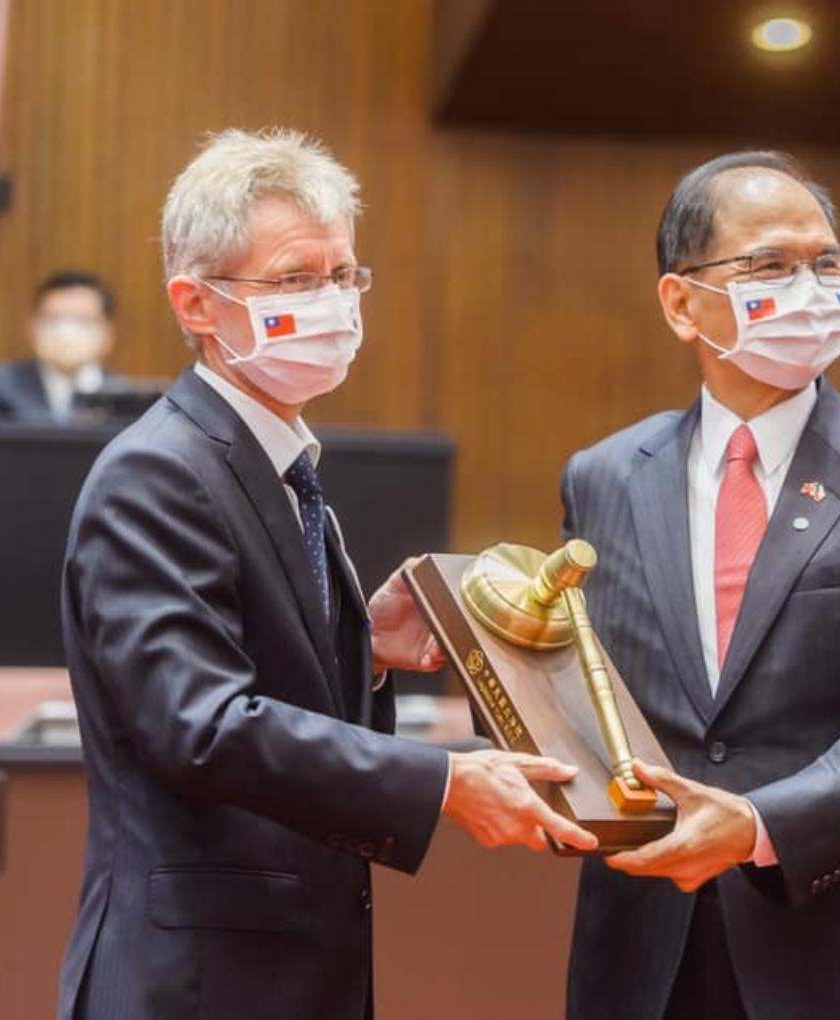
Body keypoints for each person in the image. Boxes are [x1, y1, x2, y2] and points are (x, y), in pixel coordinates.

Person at [57, 128, 595, 1020]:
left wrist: (363, 653)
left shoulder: (282, 468)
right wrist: (442, 781)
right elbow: (199, 726)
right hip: (196, 978)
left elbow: (277, 690)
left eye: (343, 275)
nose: (333, 303)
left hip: (286, 964)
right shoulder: (157, 472)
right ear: (197, 303)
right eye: (294, 280)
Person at [560, 151, 840, 1020]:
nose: (812, 288)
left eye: (827, 263)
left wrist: (759, 825)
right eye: (770, 265)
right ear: (681, 303)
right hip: (645, 952)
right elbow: (580, 696)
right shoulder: (604, 476)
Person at [0, 270, 129, 421]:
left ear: (108, 333)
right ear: (33, 328)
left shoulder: (123, 395)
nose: (67, 333)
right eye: (54, 320)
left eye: (82, 320)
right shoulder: (4, 386)